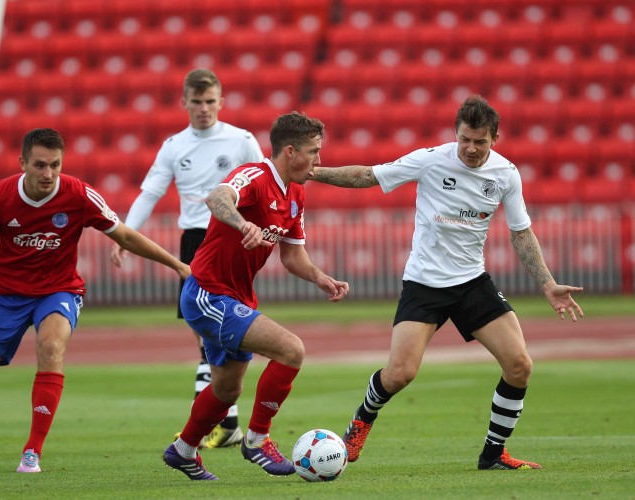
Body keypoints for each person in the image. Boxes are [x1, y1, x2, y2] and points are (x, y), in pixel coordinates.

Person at [308, 95, 584, 470]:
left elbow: (521, 233)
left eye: (480, 142)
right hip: (424, 283)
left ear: (495, 139)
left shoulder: (506, 174)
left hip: (472, 283)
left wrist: (548, 284)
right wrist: (315, 173)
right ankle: (361, 421)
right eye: (465, 139)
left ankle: (493, 455)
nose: (470, 149)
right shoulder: (431, 159)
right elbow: (368, 175)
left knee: (519, 364)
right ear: (456, 134)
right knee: (400, 374)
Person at [0, 128, 191, 473]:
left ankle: (32, 450)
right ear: (23, 162)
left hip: (59, 290)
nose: (48, 174)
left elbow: (124, 234)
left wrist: (176, 264)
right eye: (39, 165)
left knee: (51, 346)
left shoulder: (79, 194)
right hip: (6, 296)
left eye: (55, 165)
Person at [161, 111, 350, 480]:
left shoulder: (295, 193)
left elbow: (293, 255)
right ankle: (257, 439)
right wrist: (242, 221)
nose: (319, 160)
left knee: (227, 389)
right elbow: (217, 198)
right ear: (291, 151)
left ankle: (183, 450)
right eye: (314, 151)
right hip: (207, 293)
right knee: (291, 349)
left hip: (236, 297)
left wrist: (320, 278)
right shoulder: (255, 175)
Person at [110, 68, 264, 448]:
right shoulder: (174, 146)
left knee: (221, 335)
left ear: (221, 102)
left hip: (230, 242)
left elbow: (266, 183)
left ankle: (218, 423)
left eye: (210, 101)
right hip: (195, 242)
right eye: (196, 102)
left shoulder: (242, 140)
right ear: (185, 103)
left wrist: (263, 233)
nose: (204, 109)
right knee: (206, 337)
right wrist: (124, 233)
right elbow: (150, 191)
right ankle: (225, 423)